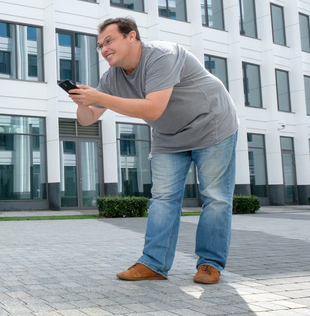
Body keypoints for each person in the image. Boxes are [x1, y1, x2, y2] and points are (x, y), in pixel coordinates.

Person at [68, 17, 238, 284]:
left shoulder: (161, 55)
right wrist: (81, 101)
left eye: (109, 41)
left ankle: (209, 264)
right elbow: (88, 119)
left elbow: (153, 108)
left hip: (212, 126)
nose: (104, 49)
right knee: (162, 198)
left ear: (131, 36)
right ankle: (154, 263)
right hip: (169, 136)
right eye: (100, 45)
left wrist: (99, 97)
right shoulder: (111, 78)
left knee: (215, 198)